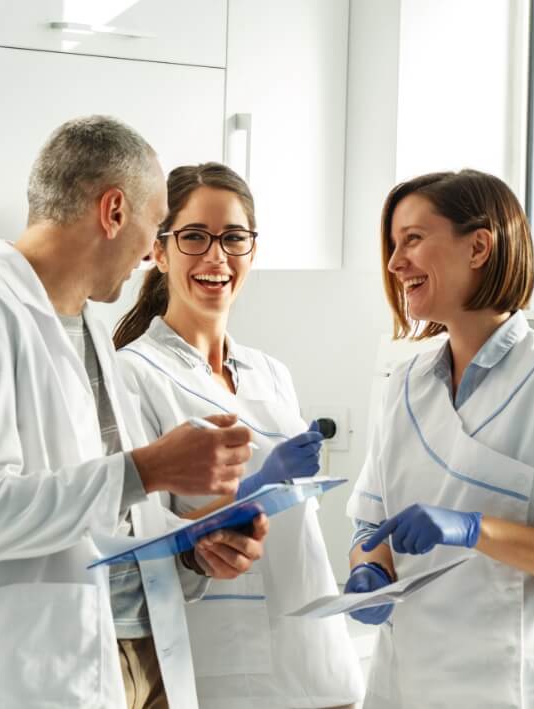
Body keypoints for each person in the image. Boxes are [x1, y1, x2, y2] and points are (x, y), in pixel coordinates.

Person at [0, 116, 270, 709]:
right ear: (114, 211)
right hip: (41, 668)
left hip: (143, 654)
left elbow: (107, 517)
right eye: (157, 223)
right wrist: (148, 469)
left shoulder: (92, 324)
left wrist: (194, 549)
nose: (151, 250)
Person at [345, 169, 534, 708]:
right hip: (404, 685)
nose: (394, 263)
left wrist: (474, 530)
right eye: (393, 245)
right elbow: (371, 521)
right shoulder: (405, 386)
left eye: (412, 239)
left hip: (517, 690)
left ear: (479, 246)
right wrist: (368, 566)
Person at [113, 162, 365, 709]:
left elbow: (299, 525)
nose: (216, 256)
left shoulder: (271, 372)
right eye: (195, 237)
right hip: (219, 664)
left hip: (316, 653)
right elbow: (143, 544)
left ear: (253, 250)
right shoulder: (133, 375)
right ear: (159, 251)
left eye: (233, 238)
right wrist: (256, 487)